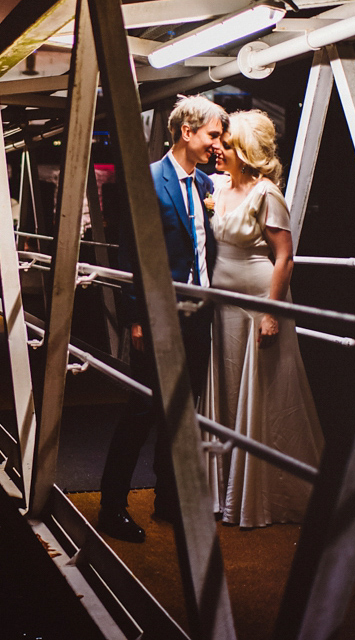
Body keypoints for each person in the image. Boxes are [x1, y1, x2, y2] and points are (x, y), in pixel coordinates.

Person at [97, 95, 227, 543]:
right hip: (158, 314)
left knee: (183, 410)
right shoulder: (149, 181)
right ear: (186, 132)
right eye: (213, 134)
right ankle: (110, 506)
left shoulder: (209, 187)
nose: (218, 143)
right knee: (143, 408)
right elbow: (132, 253)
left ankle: (168, 501)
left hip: (198, 314)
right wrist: (135, 318)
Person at [203, 109, 323, 527]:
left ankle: (263, 494)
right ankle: (223, 488)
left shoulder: (266, 193)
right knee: (229, 388)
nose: (217, 147)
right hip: (222, 306)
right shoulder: (218, 186)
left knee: (263, 393)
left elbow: (285, 257)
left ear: (245, 150)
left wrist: (271, 314)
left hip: (256, 304)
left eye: (226, 142)